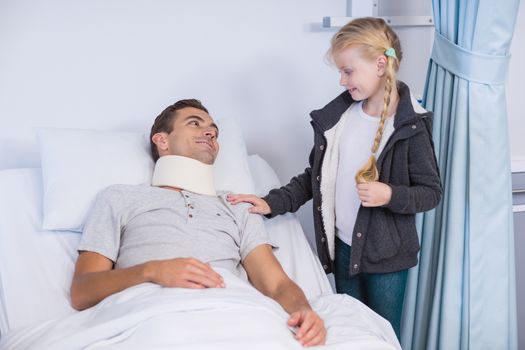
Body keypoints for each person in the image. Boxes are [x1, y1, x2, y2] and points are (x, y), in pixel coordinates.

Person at [227, 17, 442, 338]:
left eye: (348, 71)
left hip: (388, 261)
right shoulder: (339, 120)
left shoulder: (410, 126)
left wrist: (389, 195)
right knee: (349, 334)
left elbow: (431, 192)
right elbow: (313, 179)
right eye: (340, 72)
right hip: (342, 252)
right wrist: (269, 203)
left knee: (381, 336)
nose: (342, 81)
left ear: (380, 65)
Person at [69, 99, 326, 347]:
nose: (210, 133)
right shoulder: (120, 197)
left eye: (214, 130)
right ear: (161, 140)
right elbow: (82, 291)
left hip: (236, 316)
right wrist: (152, 271)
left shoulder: (237, 205)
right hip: (153, 319)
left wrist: (303, 310)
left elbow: (276, 284)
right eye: (195, 124)